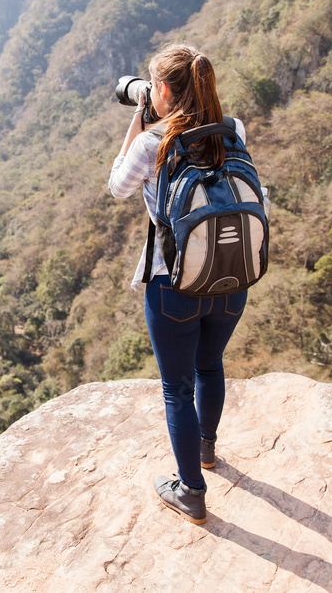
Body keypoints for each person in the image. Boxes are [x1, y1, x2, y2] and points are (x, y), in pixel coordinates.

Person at [107, 43, 247, 525]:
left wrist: (138, 121)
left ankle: (191, 490)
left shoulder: (152, 143)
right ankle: (207, 451)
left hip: (173, 285)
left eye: (152, 84)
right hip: (232, 276)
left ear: (161, 90)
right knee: (211, 366)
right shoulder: (234, 130)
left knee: (176, 388)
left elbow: (117, 186)